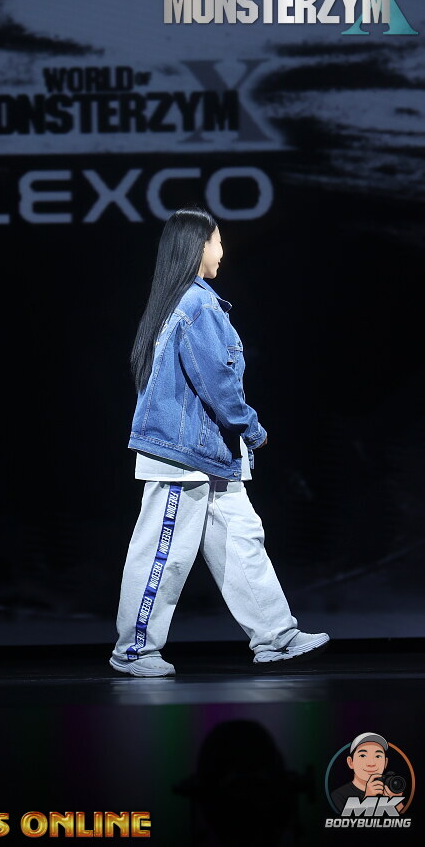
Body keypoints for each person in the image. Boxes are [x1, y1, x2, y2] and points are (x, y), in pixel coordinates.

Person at [109, 206, 330, 677]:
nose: (222, 250)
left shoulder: (187, 302)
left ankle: (277, 637)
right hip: (183, 455)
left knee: (242, 542)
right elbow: (217, 382)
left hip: (210, 453)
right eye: (218, 241)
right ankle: (134, 650)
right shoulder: (197, 305)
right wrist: (252, 428)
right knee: (164, 553)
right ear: (198, 246)